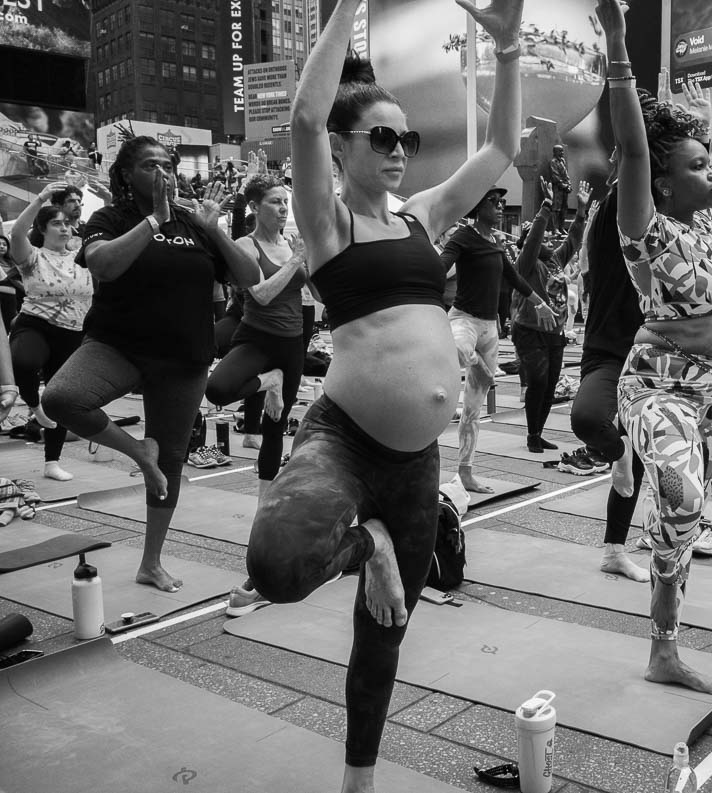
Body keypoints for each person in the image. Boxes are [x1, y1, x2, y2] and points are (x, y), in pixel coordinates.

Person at [244, 0, 526, 788]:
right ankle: (366, 544)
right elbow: (303, 116)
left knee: (385, 633)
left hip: (415, 464)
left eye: (409, 137)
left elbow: (502, 145)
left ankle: (357, 780)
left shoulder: (425, 217)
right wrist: (341, 9)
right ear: (342, 148)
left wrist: (506, 52)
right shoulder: (327, 223)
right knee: (276, 565)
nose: (401, 150)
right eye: (383, 137)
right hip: (344, 441)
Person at [599, 0, 712, 695]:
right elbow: (633, 146)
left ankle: (664, 647)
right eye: (696, 166)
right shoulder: (647, 230)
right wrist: (618, 39)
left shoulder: (706, 229)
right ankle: (662, 644)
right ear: (662, 181)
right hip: (659, 385)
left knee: (683, 528)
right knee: (682, 498)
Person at [40, 135, 260, 592]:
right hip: (118, 346)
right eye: (149, 166)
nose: (162, 173)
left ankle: (151, 562)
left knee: (173, 461)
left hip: (183, 357)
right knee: (62, 397)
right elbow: (103, 265)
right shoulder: (110, 218)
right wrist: (153, 221)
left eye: (167, 165)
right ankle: (139, 452)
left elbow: (250, 277)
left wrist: (215, 228)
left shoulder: (194, 222)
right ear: (126, 174)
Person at [568, 146, 651, 583]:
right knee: (588, 419)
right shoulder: (611, 210)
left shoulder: (662, 219)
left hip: (650, 355)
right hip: (606, 351)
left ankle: (615, 550)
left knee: (641, 454)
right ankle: (619, 453)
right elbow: (636, 159)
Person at [204, 173, 307, 502]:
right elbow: (261, 294)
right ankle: (269, 382)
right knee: (218, 389)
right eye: (275, 202)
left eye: (285, 203)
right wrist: (295, 261)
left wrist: (312, 259)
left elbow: (315, 289)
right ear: (254, 206)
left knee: (276, 424)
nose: (282, 209)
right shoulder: (246, 245)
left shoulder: (292, 245)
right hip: (257, 337)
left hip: (293, 342)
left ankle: (265, 503)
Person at [441, 186, 555, 479]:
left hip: (489, 328)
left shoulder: (494, 242)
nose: (501, 206)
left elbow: (514, 277)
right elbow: (441, 266)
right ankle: (481, 367)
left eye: (502, 202)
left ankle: (466, 471)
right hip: (464, 320)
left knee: (472, 409)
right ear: (478, 208)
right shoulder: (463, 237)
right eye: (494, 202)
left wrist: (539, 303)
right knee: (459, 351)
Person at [6, 182, 93, 480]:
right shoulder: (32, 257)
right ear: (42, 229)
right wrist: (42, 197)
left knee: (62, 398)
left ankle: (51, 463)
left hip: (73, 334)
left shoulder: (82, 256)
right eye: (57, 223)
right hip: (35, 324)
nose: (65, 228)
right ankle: (33, 404)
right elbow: (17, 232)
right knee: (24, 362)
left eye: (67, 224)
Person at [512, 178, 589, 458]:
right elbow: (533, 241)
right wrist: (545, 209)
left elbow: (574, 239)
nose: (546, 240)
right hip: (529, 331)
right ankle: (532, 434)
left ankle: (539, 433)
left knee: (550, 385)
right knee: (539, 381)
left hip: (553, 333)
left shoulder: (554, 260)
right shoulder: (525, 262)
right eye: (541, 237)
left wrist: (580, 211)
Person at [0, 235, 25, 331]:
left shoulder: (12, 261)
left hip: (22, 294)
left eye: (4, 245)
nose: (2, 246)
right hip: (7, 298)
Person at [549, 143, 570, 232]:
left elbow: (566, 174)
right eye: (560, 151)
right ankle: (555, 228)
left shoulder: (563, 161)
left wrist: (569, 184)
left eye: (562, 150)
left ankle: (561, 227)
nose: (562, 152)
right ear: (555, 152)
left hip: (565, 188)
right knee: (556, 208)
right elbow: (555, 175)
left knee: (564, 208)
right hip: (557, 188)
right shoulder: (553, 162)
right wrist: (563, 185)